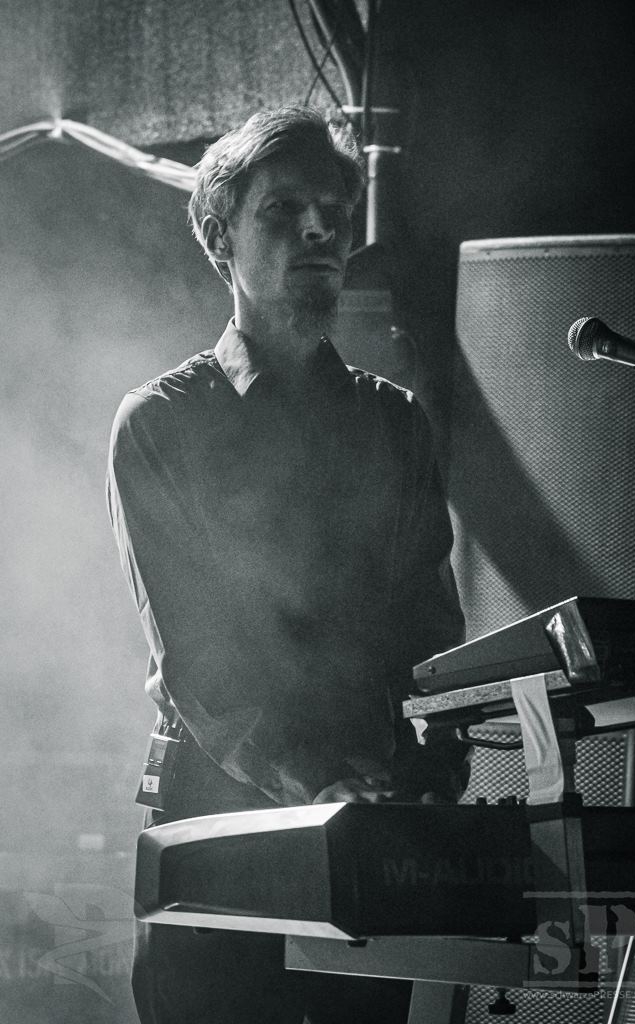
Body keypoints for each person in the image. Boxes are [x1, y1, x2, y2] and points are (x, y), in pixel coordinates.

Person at [107, 105, 467, 1024]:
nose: (318, 230)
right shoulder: (162, 423)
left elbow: (432, 634)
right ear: (219, 237)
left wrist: (432, 776)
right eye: (282, 210)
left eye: (333, 214)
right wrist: (316, 783)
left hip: (372, 823)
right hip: (219, 826)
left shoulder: (394, 423)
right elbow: (198, 656)